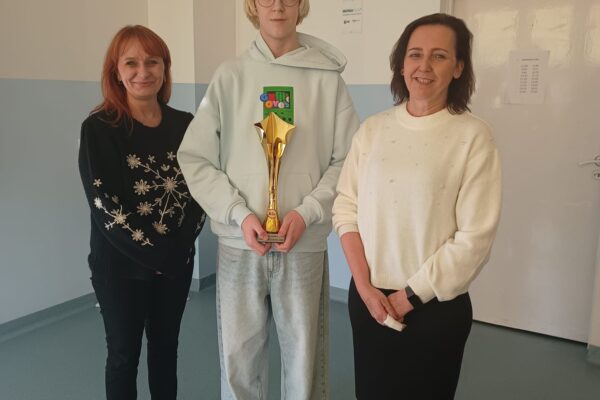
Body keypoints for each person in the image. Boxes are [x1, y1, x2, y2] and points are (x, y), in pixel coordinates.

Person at [177, 0, 359, 398]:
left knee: (304, 361)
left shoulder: (327, 80)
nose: (277, 6)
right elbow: (194, 157)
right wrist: (238, 214)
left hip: (303, 242)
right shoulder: (229, 76)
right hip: (239, 243)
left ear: (301, 5)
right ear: (253, 6)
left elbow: (348, 160)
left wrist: (308, 212)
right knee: (239, 361)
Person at [332, 13, 502, 400]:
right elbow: (346, 208)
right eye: (415, 54)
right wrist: (364, 286)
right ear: (401, 64)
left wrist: (407, 297)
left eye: (439, 56)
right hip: (370, 300)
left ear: (458, 67)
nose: (424, 65)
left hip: (433, 307)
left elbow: (474, 238)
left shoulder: (473, 136)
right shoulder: (372, 130)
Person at [78, 25, 205, 400]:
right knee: (123, 357)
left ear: (165, 68)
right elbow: (105, 206)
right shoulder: (99, 128)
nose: (142, 72)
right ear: (116, 72)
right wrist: (160, 256)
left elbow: (200, 191)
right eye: (131, 63)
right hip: (120, 269)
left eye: (152, 61)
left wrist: (178, 252)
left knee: (166, 350)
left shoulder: (186, 125)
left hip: (175, 263)